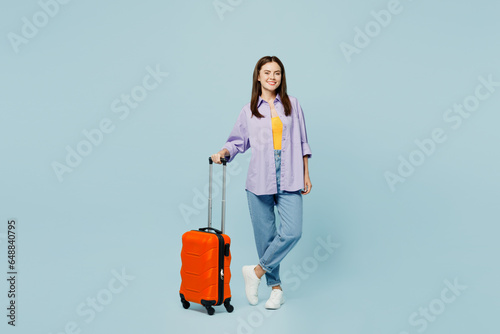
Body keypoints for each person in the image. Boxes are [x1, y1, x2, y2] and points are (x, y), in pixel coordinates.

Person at [211, 56, 312, 310]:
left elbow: (302, 143)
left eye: (277, 72)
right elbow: (236, 142)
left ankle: (255, 272)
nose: (272, 77)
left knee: (292, 231)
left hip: (290, 175)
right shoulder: (249, 110)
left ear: (282, 77)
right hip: (259, 179)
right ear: (258, 76)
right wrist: (223, 153)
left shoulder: (293, 105)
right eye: (267, 72)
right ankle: (276, 289)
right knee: (266, 237)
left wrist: (306, 174)